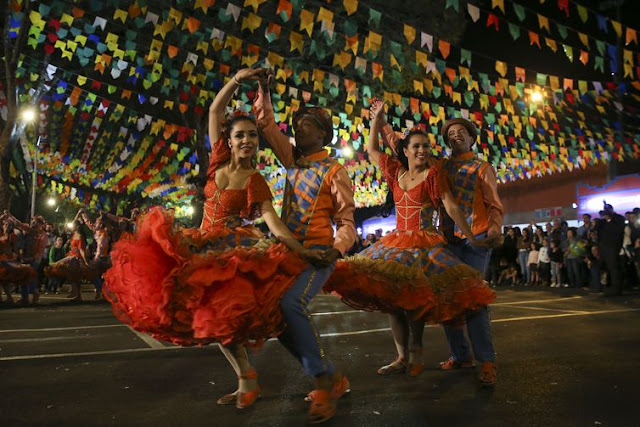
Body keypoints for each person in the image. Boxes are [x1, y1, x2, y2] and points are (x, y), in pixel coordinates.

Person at [105, 68, 323, 413]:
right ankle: (246, 378)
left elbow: (274, 224)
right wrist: (238, 79)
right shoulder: (217, 160)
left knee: (232, 317)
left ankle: (318, 376)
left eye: (253, 135)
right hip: (200, 244)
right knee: (208, 318)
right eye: (241, 136)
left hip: (233, 251)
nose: (248, 141)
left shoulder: (255, 180)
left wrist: (301, 249)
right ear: (230, 139)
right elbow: (214, 112)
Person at [325, 101, 494, 383]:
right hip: (395, 243)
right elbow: (373, 150)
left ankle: (417, 352)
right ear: (405, 151)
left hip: (425, 244)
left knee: (414, 299)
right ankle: (401, 356)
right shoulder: (396, 172)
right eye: (416, 146)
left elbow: (450, 206)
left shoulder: (434, 174)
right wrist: (376, 119)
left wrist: (472, 236)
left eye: (425, 146)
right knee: (393, 302)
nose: (422, 150)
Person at [253, 69, 355, 423]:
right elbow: (265, 124)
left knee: (291, 302)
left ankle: (324, 382)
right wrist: (264, 88)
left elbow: (347, 223)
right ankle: (331, 374)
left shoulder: (334, 171)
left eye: (307, 124)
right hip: (289, 251)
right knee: (275, 318)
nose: (299, 128)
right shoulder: (292, 160)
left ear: (324, 134)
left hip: (319, 256)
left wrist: (337, 250)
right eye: (297, 124)